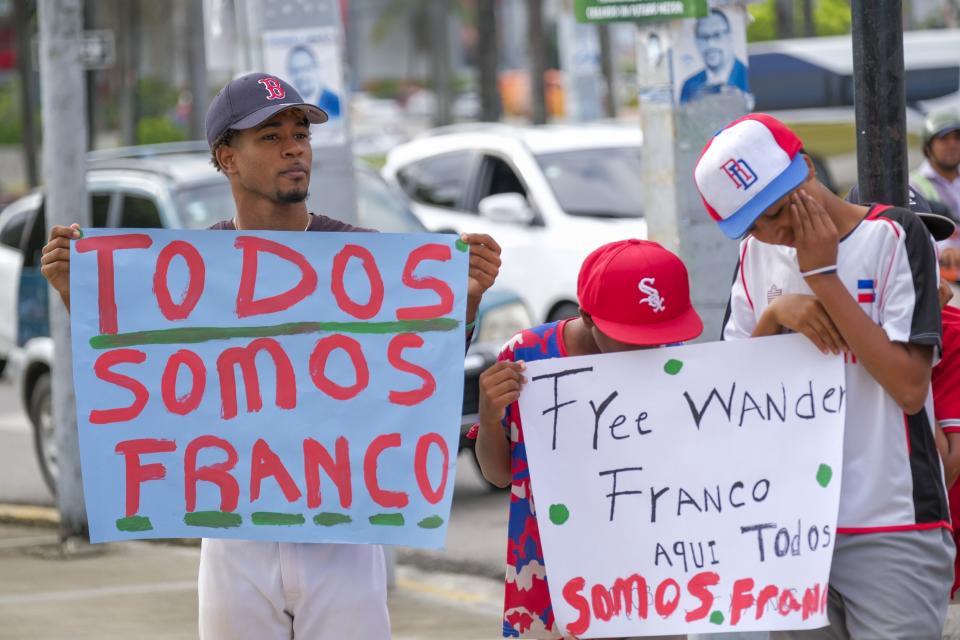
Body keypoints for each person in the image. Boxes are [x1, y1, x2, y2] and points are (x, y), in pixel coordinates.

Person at [39, 72, 503, 639]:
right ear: (226, 158)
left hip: (345, 534)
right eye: (270, 136)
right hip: (236, 535)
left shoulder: (368, 262)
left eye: (300, 133)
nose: (293, 148)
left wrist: (466, 304)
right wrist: (75, 292)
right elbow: (140, 375)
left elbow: (413, 378)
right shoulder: (191, 272)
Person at [695, 112, 953, 639]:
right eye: (755, 223)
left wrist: (822, 278)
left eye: (779, 207)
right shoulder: (754, 255)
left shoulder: (897, 236)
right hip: (790, 525)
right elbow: (732, 402)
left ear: (806, 168)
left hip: (892, 518)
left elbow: (908, 388)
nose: (775, 231)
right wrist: (774, 316)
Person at [472, 239, 703, 639]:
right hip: (550, 573)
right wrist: (490, 417)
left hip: (650, 576)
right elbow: (498, 475)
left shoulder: (672, 356)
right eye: (630, 335)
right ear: (587, 317)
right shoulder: (527, 358)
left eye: (661, 333)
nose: (648, 346)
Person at [848, 183, 960, 600]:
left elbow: (943, 465)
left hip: (929, 564)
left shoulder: (952, 330)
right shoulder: (825, 312)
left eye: (923, 240)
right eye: (892, 241)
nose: (909, 255)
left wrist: (920, 342)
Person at [911, 109, 960, 278]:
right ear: (928, 147)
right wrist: (946, 250)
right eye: (944, 138)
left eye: (957, 138)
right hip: (941, 279)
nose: (952, 144)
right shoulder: (913, 185)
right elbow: (913, 235)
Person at [679, 8, 749, 104]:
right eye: (704, 37)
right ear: (696, 41)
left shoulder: (748, 76)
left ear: (730, 37)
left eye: (717, 35)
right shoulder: (689, 85)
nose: (710, 44)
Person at [286, 44, 342, 119]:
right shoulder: (287, 107)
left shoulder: (336, 104)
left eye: (306, 68)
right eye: (296, 70)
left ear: (316, 68)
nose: (301, 75)